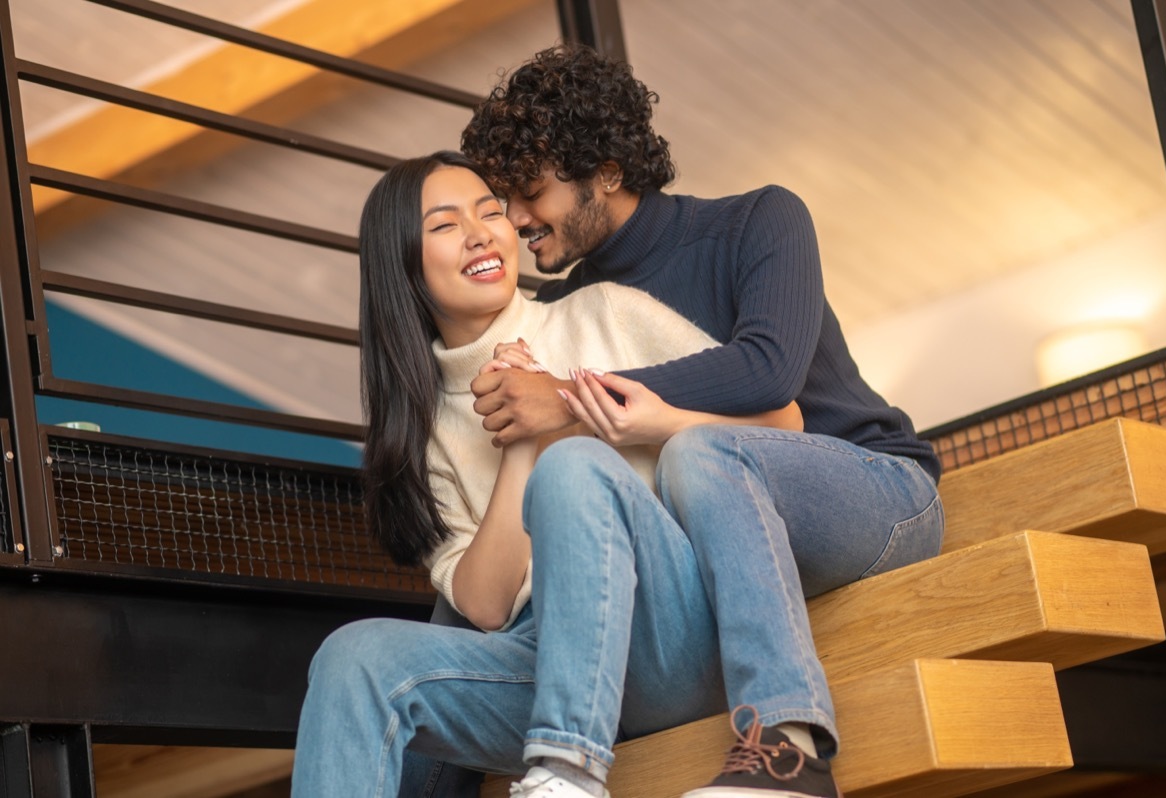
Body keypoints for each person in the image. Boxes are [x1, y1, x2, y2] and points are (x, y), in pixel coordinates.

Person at [460, 43, 945, 797]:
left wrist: (568, 397)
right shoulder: (566, 311)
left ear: (609, 172)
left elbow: (769, 368)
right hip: (720, 547)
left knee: (701, 452)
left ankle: (789, 751)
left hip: (875, 493)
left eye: (529, 191)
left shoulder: (762, 220)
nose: (515, 218)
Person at [291, 151, 808, 798]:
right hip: (539, 658)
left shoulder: (604, 313)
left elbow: (783, 422)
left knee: (576, 464)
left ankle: (568, 772)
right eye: (446, 225)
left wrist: (583, 415)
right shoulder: (421, 430)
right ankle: (562, 752)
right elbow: (482, 604)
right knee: (352, 659)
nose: (483, 231)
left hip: (664, 634)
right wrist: (518, 443)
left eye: (489, 212)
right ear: (404, 264)